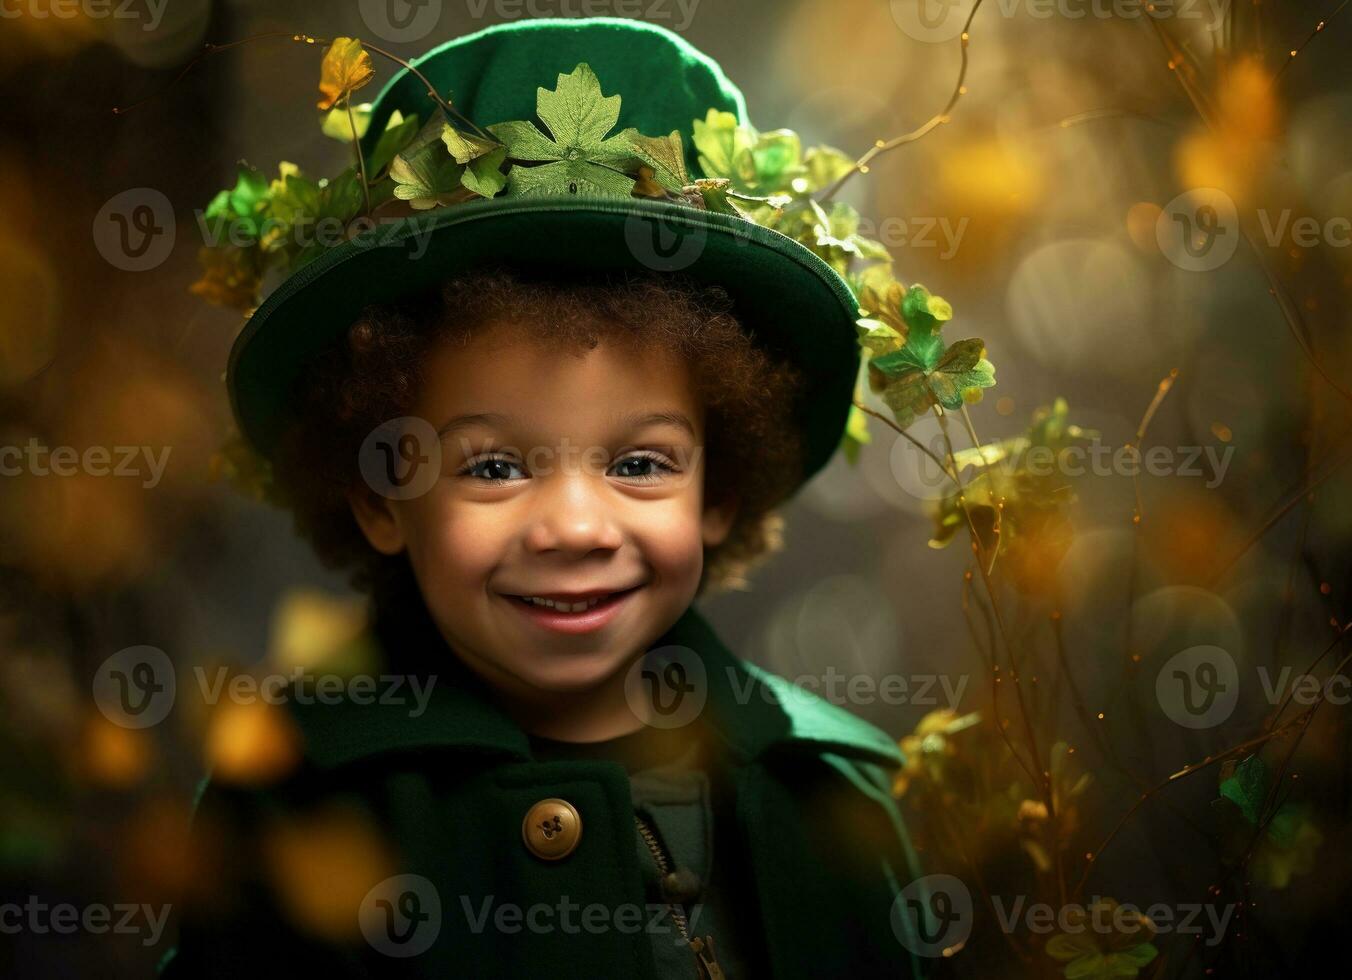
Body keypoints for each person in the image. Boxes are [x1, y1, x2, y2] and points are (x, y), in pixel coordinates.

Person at [158, 16, 934, 979]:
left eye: (643, 464)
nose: (573, 527)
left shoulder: (831, 793)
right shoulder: (295, 799)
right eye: (491, 467)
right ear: (380, 497)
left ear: (720, 488)